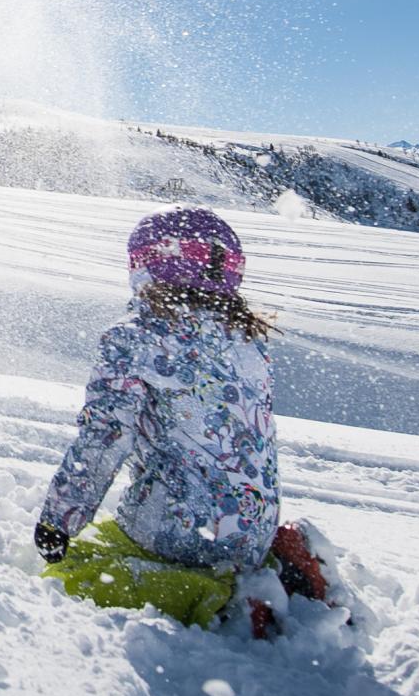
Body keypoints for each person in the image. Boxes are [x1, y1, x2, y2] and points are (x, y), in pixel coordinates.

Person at [33, 207, 326, 635]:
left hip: (179, 532)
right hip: (252, 530)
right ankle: (264, 568)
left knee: (84, 567)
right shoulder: (248, 340)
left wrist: (58, 520)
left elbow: (106, 436)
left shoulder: (134, 335)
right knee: (213, 514)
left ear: (146, 265)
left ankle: (218, 600)